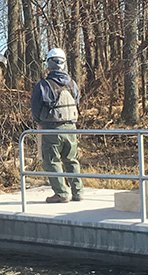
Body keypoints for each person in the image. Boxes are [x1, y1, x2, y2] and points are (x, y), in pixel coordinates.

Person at [31, 48, 84, 203]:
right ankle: (78, 191)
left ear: (49, 63)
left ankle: (61, 193)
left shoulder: (44, 85)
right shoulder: (72, 84)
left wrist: (39, 121)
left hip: (51, 128)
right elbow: (77, 102)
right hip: (71, 128)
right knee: (71, 160)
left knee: (51, 160)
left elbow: (35, 108)